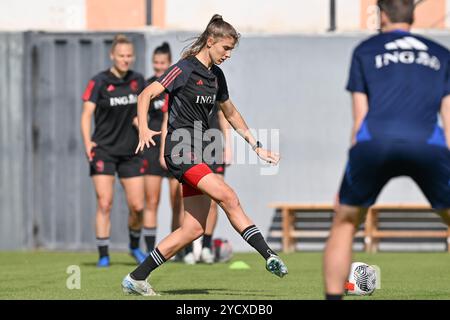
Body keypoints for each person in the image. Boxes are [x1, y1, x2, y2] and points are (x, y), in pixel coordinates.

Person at [122, 14, 288, 296]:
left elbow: (231, 113)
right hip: (180, 150)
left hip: (199, 152)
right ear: (210, 41)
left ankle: (136, 277)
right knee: (228, 196)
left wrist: (256, 146)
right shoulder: (184, 69)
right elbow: (145, 95)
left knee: (193, 229)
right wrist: (143, 130)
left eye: (231, 50)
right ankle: (268, 254)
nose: (228, 55)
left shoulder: (216, 76)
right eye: (225, 48)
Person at [323, 0, 450, 300]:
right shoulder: (441, 54)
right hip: (427, 144)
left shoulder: (365, 51)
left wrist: (350, 170)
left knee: (344, 222)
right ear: (413, 14)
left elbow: (359, 118)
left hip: (373, 144)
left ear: (382, 15)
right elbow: (448, 118)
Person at [81, 34, 148, 267]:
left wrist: (143, 127)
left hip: (131, 152)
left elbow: (141, 113)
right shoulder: (99, 81)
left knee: (138, 207)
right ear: (112, 56)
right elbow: (86, 114)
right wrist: (88, 143)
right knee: (104, 202)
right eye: (121, 55)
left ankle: (133, 245)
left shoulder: (138, 80)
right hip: (104, 150)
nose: (125, 59)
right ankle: (103, 254)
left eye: (129, 55)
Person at [141, 42, 185, 257]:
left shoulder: (176, 83)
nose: (159, 67)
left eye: (163, 63)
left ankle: (176, 249)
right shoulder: (148, 86)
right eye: (156, 63)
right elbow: (136, 115)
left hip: (173, 147)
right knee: (152, 200)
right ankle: (149, 250)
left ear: (169, 64)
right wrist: (143, 129)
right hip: (152, 148)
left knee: (177, 201)